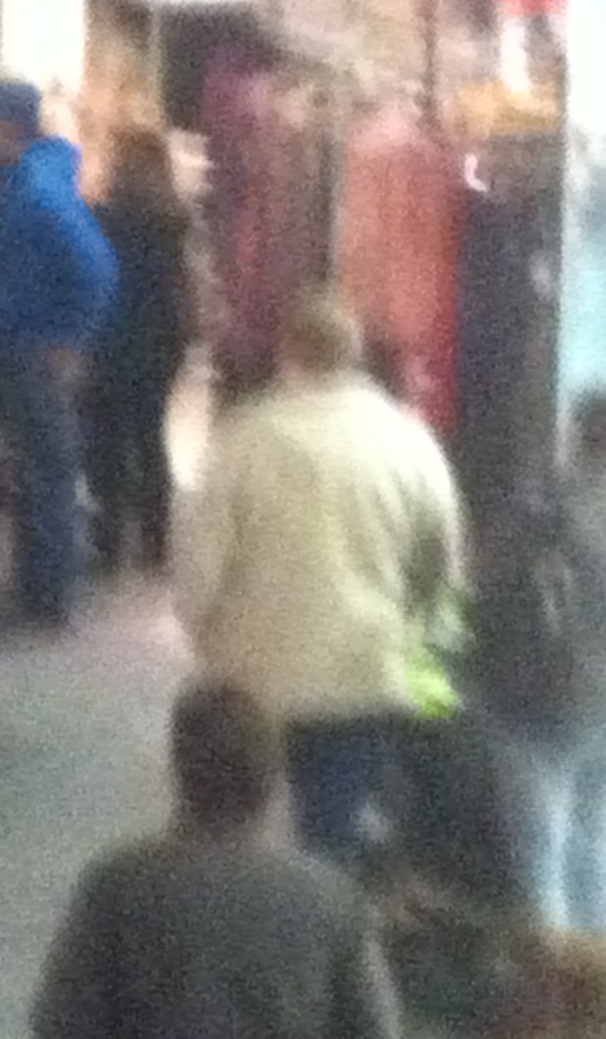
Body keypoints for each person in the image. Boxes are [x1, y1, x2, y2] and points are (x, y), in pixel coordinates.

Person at [176, 292, 464, 867]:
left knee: (239, 820)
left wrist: (203, 638)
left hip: (254, 672)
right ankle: (323, 901)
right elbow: (442, 570)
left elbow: (199, 562)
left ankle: (245, 898)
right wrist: (427, 669)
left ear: (288, 354)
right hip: (365, 669)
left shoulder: (244, 439)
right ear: (355, 357)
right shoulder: (411, 443)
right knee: (333, 823)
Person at [31, 682, 402, 1039]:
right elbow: (373, 1028)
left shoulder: (117, 884)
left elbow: (60, 1019)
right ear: (271, 777)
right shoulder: (331, 900)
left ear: (180, 771)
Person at [0, 79, 119, 630]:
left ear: (5, 123)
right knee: (42, 470)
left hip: (35, 349)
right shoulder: (34, 181)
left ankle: (47, 595)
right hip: (32, 344)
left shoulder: (35, 192)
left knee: (46, 471)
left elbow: (96, 268)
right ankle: (40, 588)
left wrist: (68, 336)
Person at [476, 396, 606, 934]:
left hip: (540, 700)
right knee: (594, 843)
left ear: (576, 436)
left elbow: (488, 593)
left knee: (540, 849)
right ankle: (594, 971)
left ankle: (552, 975)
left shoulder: (542, 512)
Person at [90, 126, 197, 575]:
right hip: (165, 334)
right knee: (151, 434)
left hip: (118, 332)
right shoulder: (174, 214)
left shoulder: (107, 214)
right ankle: (156, 538)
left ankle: (109, 542)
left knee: (109, 439)